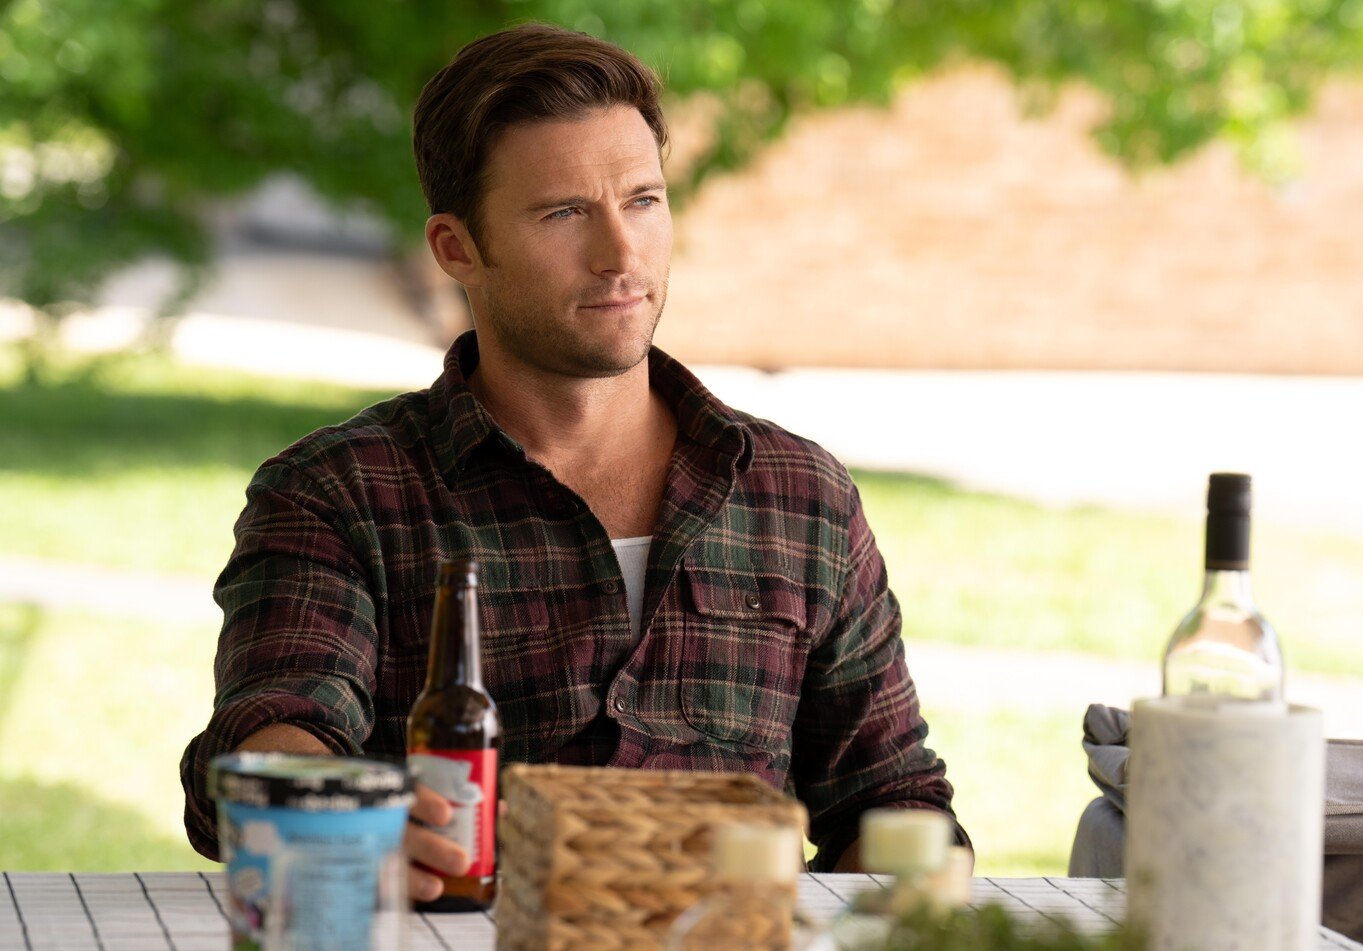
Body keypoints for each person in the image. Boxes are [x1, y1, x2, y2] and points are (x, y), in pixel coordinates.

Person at [180, 22, 967, 900]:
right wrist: (340, 822)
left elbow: (891, 800)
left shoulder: (800, 497)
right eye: (563, 213)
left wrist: (916, 893)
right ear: (456, 248)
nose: (620, 255)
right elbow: (273, 736)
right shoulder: (339, 494)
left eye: (643, 200)